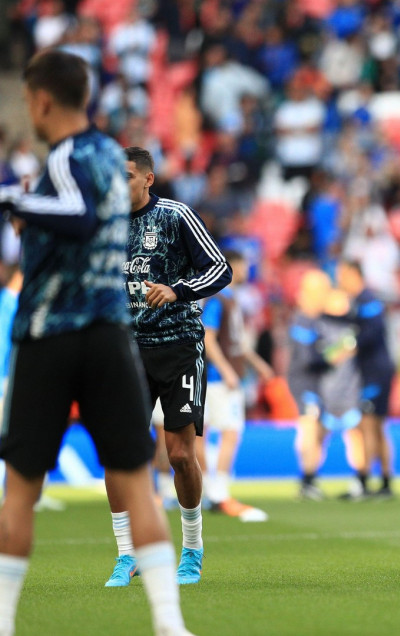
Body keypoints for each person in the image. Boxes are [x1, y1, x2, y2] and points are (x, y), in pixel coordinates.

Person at [0, 49, 191, 635]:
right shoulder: (112, 157)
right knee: (137, 482)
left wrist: (14, 200)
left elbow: (77, 217)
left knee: (20, 491)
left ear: (41, 100)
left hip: (52, 334)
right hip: (113, 336)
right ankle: (168, 622)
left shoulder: (65, 159)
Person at [104, 145, 231, 588]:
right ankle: (126, 555)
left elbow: (221, 269)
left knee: (179, 454)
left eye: (125, 176)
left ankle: (192, 549)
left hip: (178, 346)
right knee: (120, 456)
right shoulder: (105, 222)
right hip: (126, 352)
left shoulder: (176, 215)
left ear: (147, 178)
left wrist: (177, 289)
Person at [199, 250, 272, 521]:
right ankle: (217, 492)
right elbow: (209, 338)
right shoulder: (219, 299)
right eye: (242, 265)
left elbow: (237, 342)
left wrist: (257, 364)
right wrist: (228, 370)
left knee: (207, 432)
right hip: (218, 378)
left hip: (220, 375)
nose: (246, 270)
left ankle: (210, 491)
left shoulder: (231, 300)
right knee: (227, 431)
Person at [290, 270, 364, 501]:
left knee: (321, 430)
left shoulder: (320, 319)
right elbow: (308, 359)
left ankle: (311, 479)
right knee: (310, 428)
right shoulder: (303, 320)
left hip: (321, 384)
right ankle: (308, 480)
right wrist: (337, 355)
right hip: (306, 383)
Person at [336, 259, 395, 498]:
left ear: (353, 274)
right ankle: (385, 483)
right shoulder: (361, 302)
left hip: (375, 372)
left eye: (342, 275)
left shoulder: (367, 301)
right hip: (375, 370)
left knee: (368, 424)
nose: (339, 280)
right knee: (378, 426)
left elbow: (371, 334)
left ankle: (363, 481)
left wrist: (346, 346)